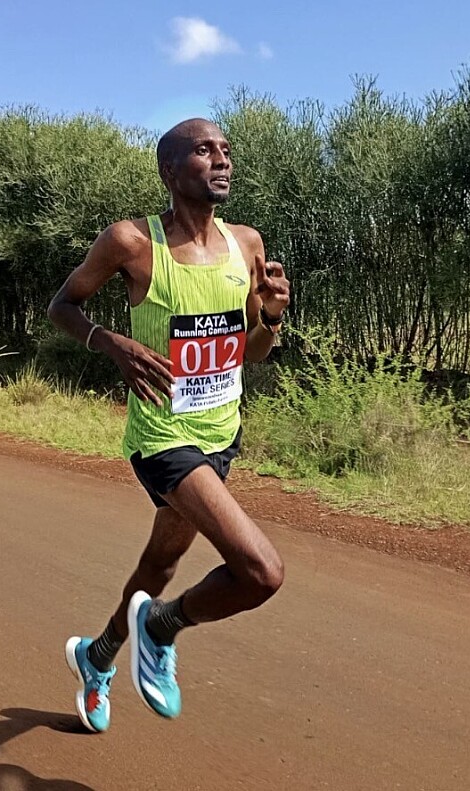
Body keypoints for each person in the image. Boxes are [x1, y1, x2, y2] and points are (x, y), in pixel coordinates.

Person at [47, 118, 290, 733]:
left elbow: (251, 354)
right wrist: (112, 343)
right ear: (170, 170)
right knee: (261, 573)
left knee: (158, 566)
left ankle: (97, 656)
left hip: (220, 435)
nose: (222, 160)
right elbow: (62, 306)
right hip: (163, 438)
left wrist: (270, 319)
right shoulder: (132, 243)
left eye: (226, 151)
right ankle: (161, 626)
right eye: (205, 151)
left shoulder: (247, 244)